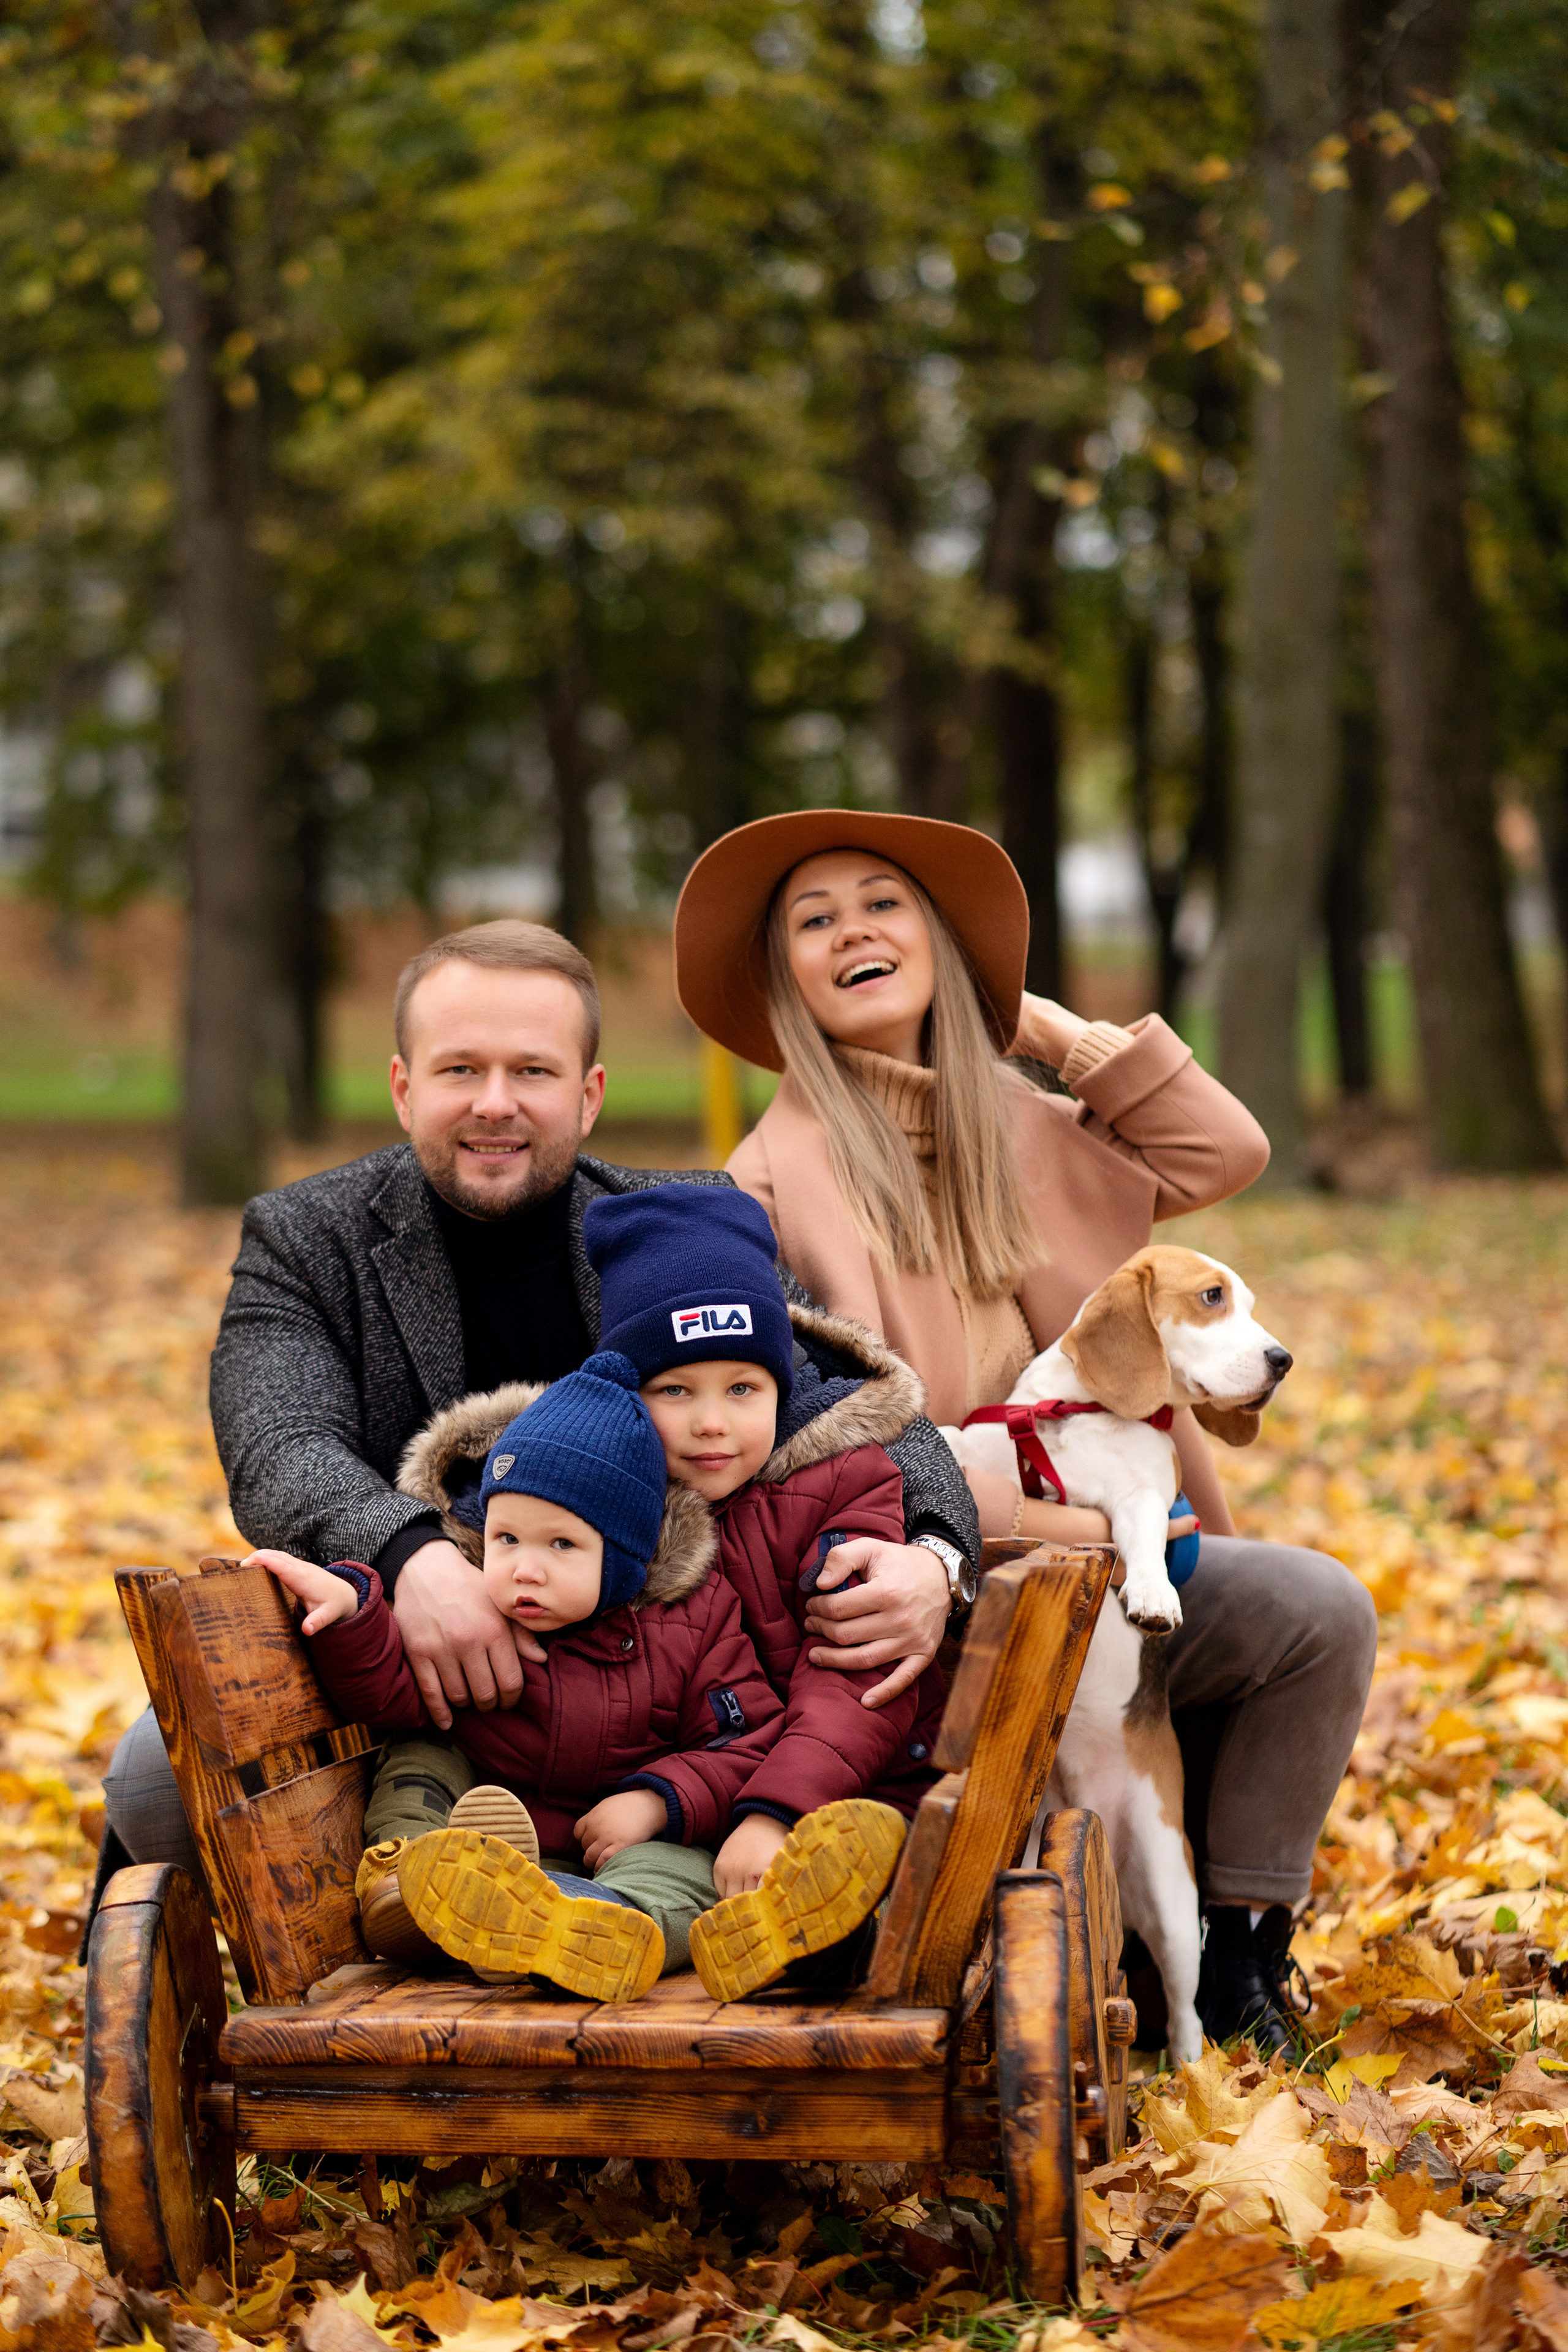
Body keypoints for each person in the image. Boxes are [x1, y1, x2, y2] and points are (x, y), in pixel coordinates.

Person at [96, 919, 976, 1922]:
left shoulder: (676, 1228)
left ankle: (632, 1928)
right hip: (426, 1688)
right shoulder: (310, 1238)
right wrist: (412, 1553)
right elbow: (277, 1445)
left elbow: (853, 1403)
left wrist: (935, 1559)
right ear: (402, 1085)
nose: (495, 1104)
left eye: (534, 1071)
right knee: (150, 1782)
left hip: (679, 1695)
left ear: (589, 1094)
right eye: (460, 1069)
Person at [673, 809, 1379, 2052]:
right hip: (950, 1584)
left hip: (1124, 1563)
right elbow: (820, 1443)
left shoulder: (1022, 1121)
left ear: (939, 942)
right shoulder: (762, 1187)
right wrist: (1054, 1518)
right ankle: (1096, 1939)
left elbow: (1225, 1147)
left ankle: (1232, 1953)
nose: (852, 934)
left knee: (1312, 1615)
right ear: (784, 975)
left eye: (882, 904)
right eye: (813, 921)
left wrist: (1037, 1024)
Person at [254, 1352, 905, 2003]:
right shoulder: (480, 1620)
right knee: (423, 1753)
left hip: (619, 1846)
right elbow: (396, 1693)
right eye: (507, 1539)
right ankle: (411, 1880)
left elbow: (741, 1743)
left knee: (677, 1873)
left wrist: (656, 1802)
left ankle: (603, 1926)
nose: (524, 1571)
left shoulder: (690, 1624)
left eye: (561, 1545)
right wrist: (351, 1615)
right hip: (495, 1824)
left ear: (624, 1559)